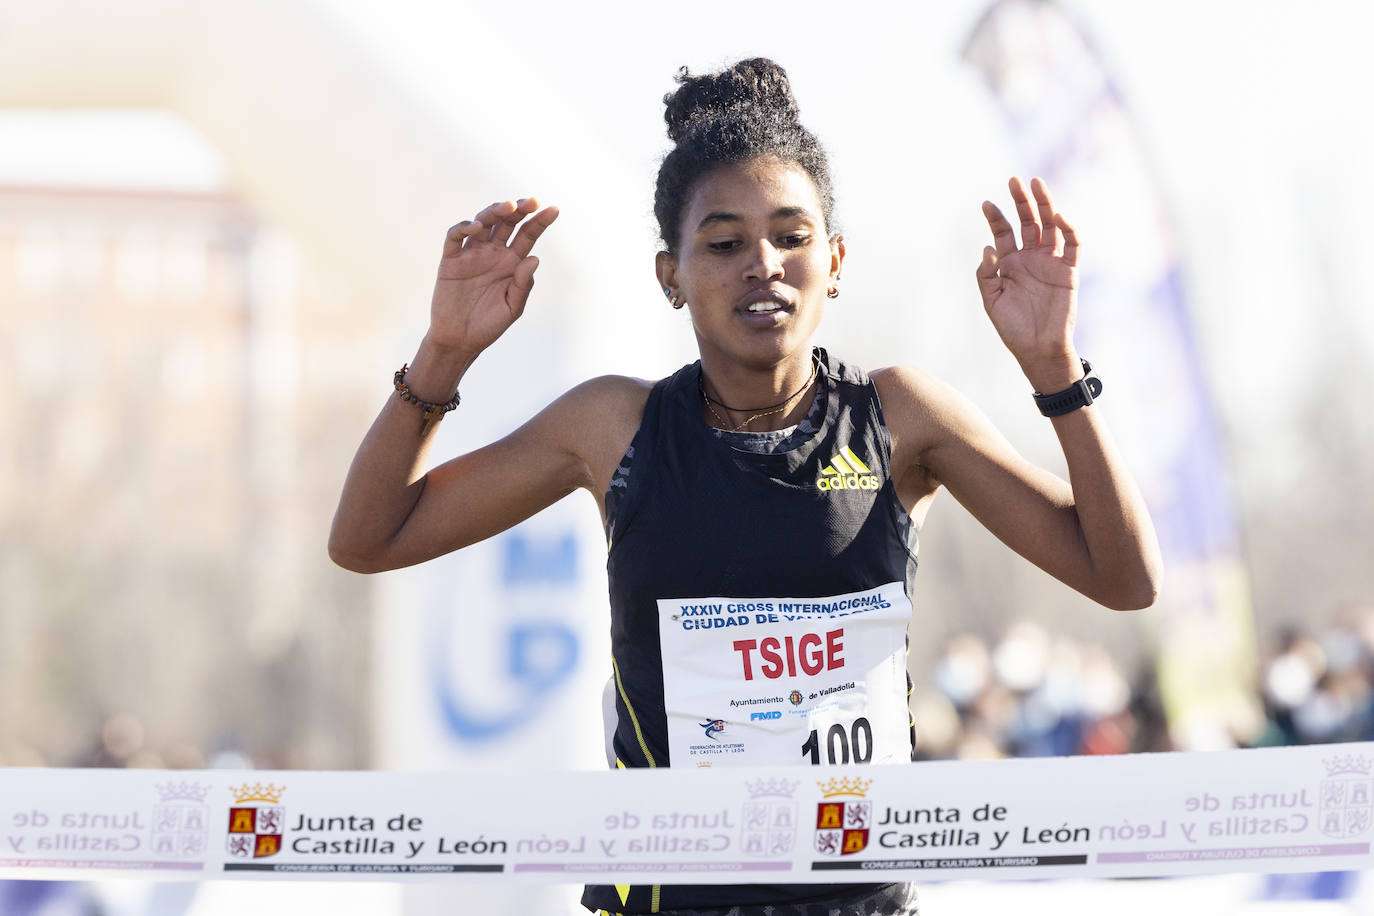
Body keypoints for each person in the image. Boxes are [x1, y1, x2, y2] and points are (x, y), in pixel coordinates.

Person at [330, 57, 1161, 916]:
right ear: (671, 275)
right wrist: (444, 353)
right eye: (724, 244)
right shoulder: (613, 427)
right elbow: (368, 537)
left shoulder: (901, 417)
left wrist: (1057, 371)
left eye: (792, 237)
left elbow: (1125, 578)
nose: (762, 264)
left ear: (834, 261)